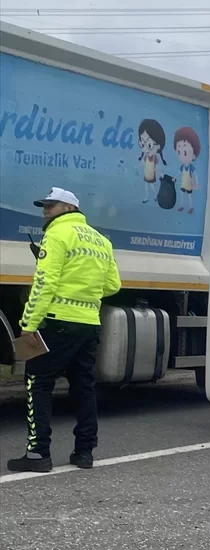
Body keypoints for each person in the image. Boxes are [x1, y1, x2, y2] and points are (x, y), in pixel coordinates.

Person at [7, 188, 122, 474]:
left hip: (57, 323)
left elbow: (44, 283)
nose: (45, 211)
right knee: (83, 386)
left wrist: (28, 324)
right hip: (89, 323)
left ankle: (37, 454)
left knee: (38, 383)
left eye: (50, 205)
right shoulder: (100, 240)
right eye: (43, 206)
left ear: (69, 207)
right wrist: (85, 293)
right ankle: (84, 452)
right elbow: (113, 286)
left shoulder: (57, 236)